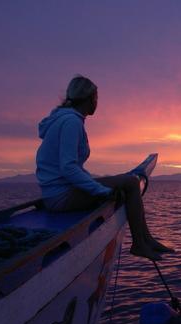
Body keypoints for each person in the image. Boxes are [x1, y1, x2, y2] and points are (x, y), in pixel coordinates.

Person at [36, 75, 172, 261]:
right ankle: (140, 244)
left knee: (126, 181)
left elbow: (71, 167)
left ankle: (146, 239)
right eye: (96, 98)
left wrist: (94, 184)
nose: (97, 103)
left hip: (57, 192)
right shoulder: (71, 123)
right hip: (61, 196)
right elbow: (68, 168)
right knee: (131, 183)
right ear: (88, 99)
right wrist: (101, 191)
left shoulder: (65, 120)